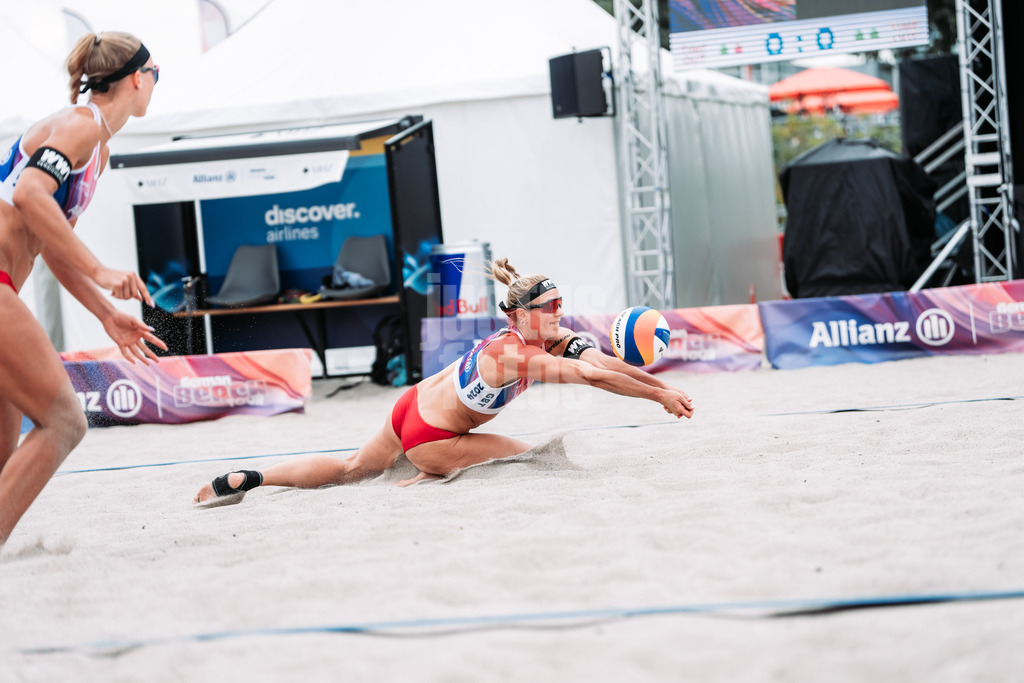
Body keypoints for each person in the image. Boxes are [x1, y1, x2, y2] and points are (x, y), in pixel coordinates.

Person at [194, 258, 694, 504]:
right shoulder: (516, 355)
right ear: (521, 314)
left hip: (409, 407)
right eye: (551, 306)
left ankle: (251, 479)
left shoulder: (543, 337)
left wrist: (658, 386)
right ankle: (431, 471)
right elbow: (591, 377)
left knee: (351, 468)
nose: (561, 312)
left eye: (562, 303)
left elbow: (605, 361)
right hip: (432, 436)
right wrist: (658, 398)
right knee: (536, 458)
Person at [0, 32, 167, 546]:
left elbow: (52, 242)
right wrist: (99, 271)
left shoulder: (99, 148)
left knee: (7, 450)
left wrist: (105, 313)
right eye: (157, 73)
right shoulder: (80, 124)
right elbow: (30, 194)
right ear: (137, 77)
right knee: (64, 421)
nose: (157, 83)